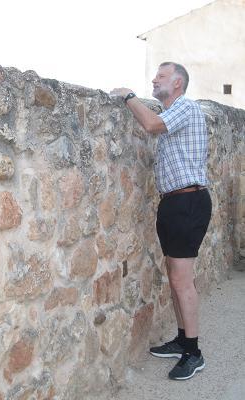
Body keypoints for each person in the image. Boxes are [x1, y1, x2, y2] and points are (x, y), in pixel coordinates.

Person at [110, 62, 212, 380]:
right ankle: (183, 340)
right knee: (174, 277)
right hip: (173, 203)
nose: (154, 79)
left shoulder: (186, 107)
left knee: (182, 281)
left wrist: (128, 96)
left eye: (162, 76)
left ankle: (194, 353)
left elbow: (151, 125)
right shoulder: (173, 113)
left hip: (188, 202)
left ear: (178, 83)